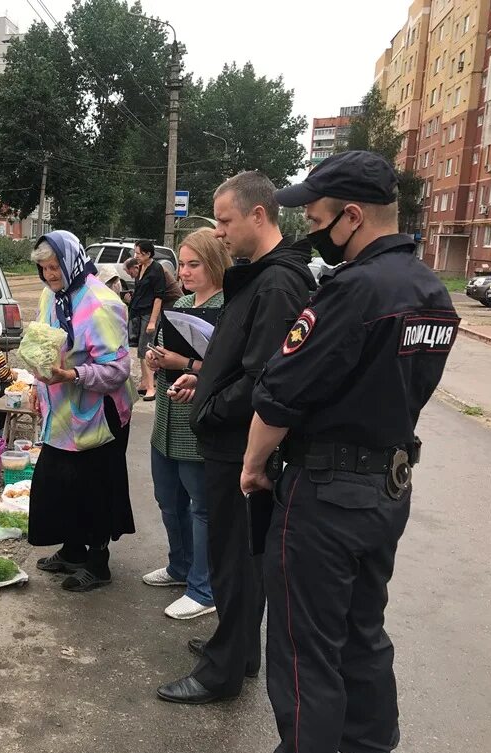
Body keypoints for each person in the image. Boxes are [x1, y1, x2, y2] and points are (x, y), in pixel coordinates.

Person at [242, 151, 459, 753]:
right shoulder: (430, 290)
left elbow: (280, 394)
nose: (312, 229)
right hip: (387, 488)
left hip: (325, 493)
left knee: (305, 646)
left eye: (315, 217)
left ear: (353, 216)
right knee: (364, 636)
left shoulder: (352, 291)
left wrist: (255, 465)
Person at [156, 172, 316, 705]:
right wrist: (206, 380)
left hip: (237, 443)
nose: (218, 232)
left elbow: (265, 377)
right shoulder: (262, 276)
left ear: (258, 215)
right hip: (229, 435)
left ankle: (222, 673)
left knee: (234, 558)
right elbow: (240, 360)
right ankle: (238, 647)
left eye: (224, 220)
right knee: (236, 556)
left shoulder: (277, 283)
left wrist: (210, 409)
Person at [28, 230, 136, 592]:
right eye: (43, 268)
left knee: (94, 488)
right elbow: (42, 345)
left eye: (54, 267)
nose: (49, 275)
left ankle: (97, 562)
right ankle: (72, 550)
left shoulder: (101, 302)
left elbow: (118, 370)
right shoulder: (51, 296)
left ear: (72, 260)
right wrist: (36, 385)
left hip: (98, 412)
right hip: (59, 410)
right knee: (60, 483)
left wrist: (72, 374)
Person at [142, 229, 231, 620]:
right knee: (168, 499)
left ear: (214, 262)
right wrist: (153, 358)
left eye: (194, 263)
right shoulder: (184, 303)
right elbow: (163, 349)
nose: (185, 271)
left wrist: (188, 365)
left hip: (198, 422)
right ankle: (180, 567)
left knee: (201, 506)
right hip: (166, 416)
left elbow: (233, 369)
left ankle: (203, 587)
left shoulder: (230, 307)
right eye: (181, 263)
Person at [129, 240, 170, 400]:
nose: (136, 256)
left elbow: (159, 297)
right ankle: (145, 383)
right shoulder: (141, 268)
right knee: (140, 350)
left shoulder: (156, 269)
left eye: (138, 253)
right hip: (138, 313)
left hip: (149, 314)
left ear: (147, 254)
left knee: (147, 350)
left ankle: (151, 388)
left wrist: (153, 321)